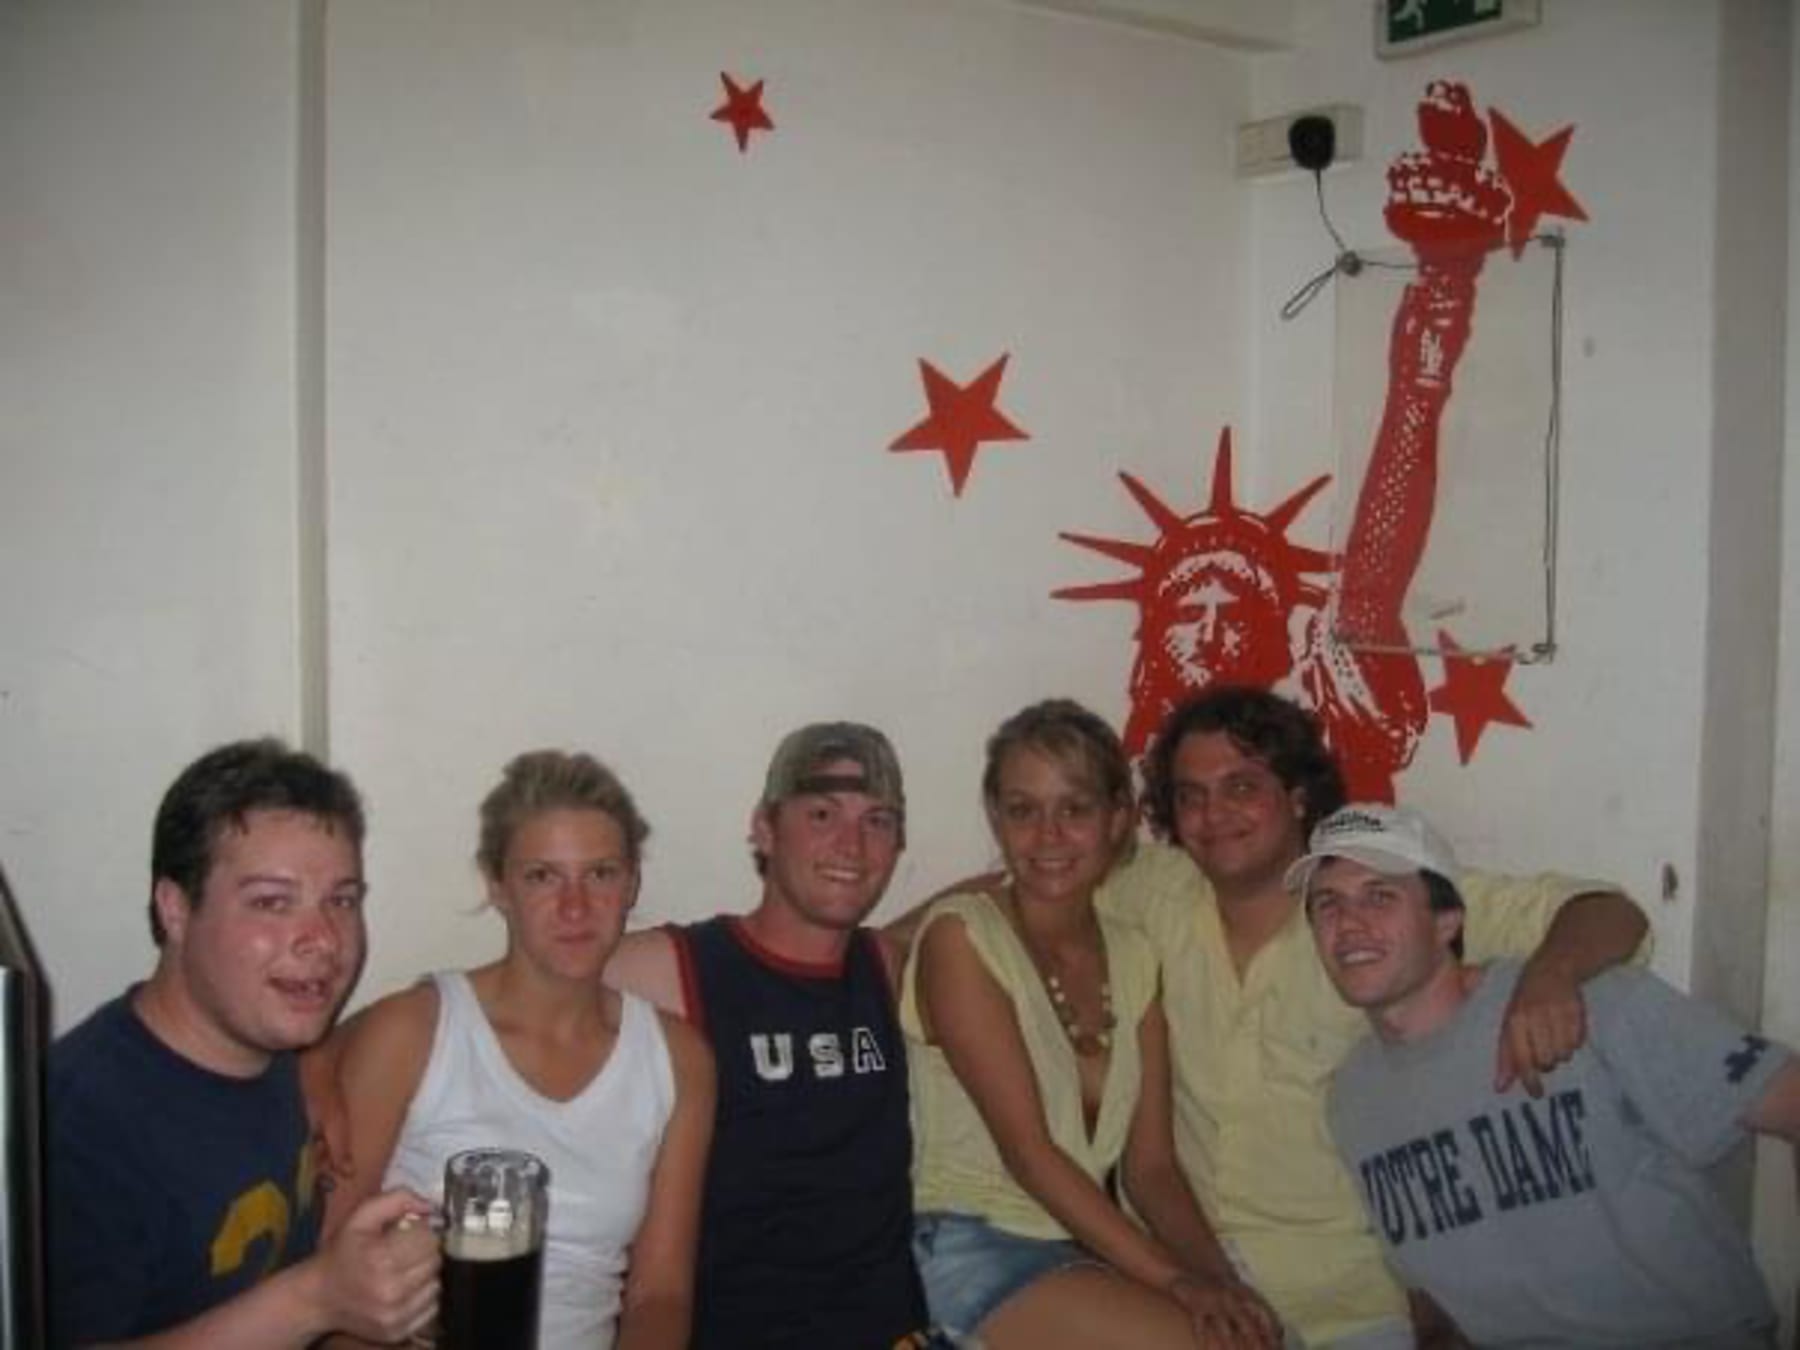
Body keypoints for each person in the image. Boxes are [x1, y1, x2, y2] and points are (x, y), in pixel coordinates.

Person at [1082, 687, 1648, 1349]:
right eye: (1190, 795)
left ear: (1297, 797)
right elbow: (1031, 886)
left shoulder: (1369, 909)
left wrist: (1551, 976)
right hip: (1182, 1280)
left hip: (1348, 1297)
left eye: (1241, 787)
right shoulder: (1152, 893)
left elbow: (1612, 915)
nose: (1214, 815)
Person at [1299, 802, 1800, 1348]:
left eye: (1380, 896)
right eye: (1328, 904)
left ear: (1447, 922)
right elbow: (1431, 1288)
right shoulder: (1351, 1099)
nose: (1349, 924)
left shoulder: (1590, 1001)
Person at [904, 699, 1281, 1349]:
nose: (1047, 836)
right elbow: (1030, 1156)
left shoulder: (1133, 954)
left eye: (1074, 809)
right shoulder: (962, 937)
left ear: (1117, 819)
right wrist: (1179, 1283)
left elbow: (1152, 1170)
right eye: (1022, 810)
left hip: (1083, 1251)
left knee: (1252, 1336)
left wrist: (1226, 1286)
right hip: (972, 1244)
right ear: (996, 819)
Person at [47, 738, 440, 1349]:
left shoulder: (271, 1040)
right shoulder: (77, 1129)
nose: (323, 940)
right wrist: (316, 1298)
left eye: (341, 900)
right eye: (272, 902)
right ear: (175, 909)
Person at [324, 750, 713, 1350]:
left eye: (601, 874)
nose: (575, 906)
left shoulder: (678, 1059)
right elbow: (325, 1273)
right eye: (542, 876)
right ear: (498, 886)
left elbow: (660, 1295)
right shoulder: (414, 1032)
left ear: (632, 883)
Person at [604, 722, 935, 1350]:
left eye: (878, 821)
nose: (852, 845)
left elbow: (997, 901)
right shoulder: (680, 967)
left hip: (889, 1328)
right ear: (764, 828)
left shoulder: (885, 967)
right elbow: (515, 996)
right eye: (822, 814)